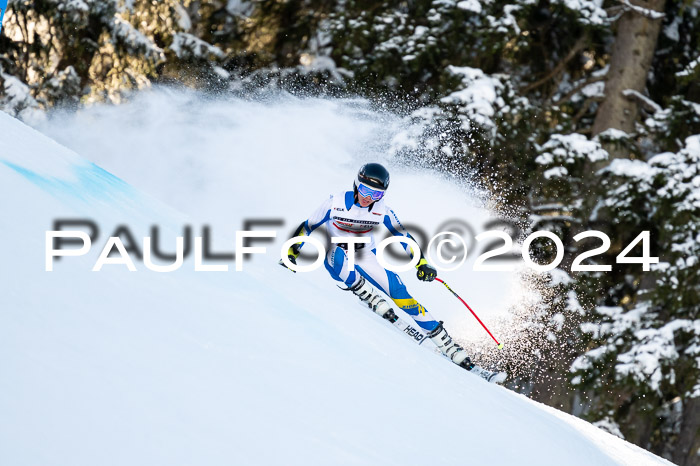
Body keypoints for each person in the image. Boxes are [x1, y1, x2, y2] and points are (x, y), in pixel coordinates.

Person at [280, 162, 503, 383]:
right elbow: (307, 226)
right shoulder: (335, 203)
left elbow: (403, 236)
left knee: (399, 293)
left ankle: (448, 345)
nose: (369, 198)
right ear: (357, 184)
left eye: (376, 194)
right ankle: (366, 294)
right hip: (337, 253)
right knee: (336, 256)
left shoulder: (382, 210)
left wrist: (421, 263)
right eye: (366, 190)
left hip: (365, 255)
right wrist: (292, 253)